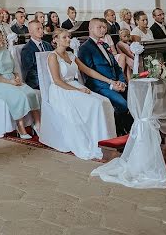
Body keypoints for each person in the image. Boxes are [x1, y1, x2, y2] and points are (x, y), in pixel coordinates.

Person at [44, 29, 116, 159]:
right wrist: (79, 90)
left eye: (69, 37)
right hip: (61, 90)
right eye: (64, 37)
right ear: (55, 39)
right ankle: (96, 144)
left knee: (105, 101)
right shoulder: (52, 56)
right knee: (95, 104)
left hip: (74, 86)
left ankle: (108, 143)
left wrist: (110, 80)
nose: (68, 39)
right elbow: (57, 81)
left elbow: (88, 70)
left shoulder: (71, 55)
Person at [75, 18, 133, 134]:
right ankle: (118, 131)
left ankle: (130, 130)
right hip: (99, 86)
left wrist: (122, 81)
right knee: (122, 104)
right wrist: (111, 86)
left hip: (115, 82)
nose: (103, 30)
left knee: (134, 99)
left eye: (104, 27)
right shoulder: (85, 48)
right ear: (90, 28)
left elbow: (116, 67)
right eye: (99, 27)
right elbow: (89, 75)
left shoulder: (105, 44)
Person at [0, 28, 40, 139]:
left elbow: (14, 69)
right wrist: (10, 82)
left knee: (31, 93)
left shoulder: (6, 51)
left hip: (11, 79)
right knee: (18, 96)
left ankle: (37, 125)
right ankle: (20, 125)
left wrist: (17, 78)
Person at [20, 19, 53, 90]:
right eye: (38, 29)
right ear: (30, 31)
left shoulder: (47, 45)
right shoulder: (26, 49)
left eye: (41, 28)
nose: (41, 31)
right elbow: (29, 71)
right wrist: (45, 80)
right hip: (36, 81)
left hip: (50, 76)